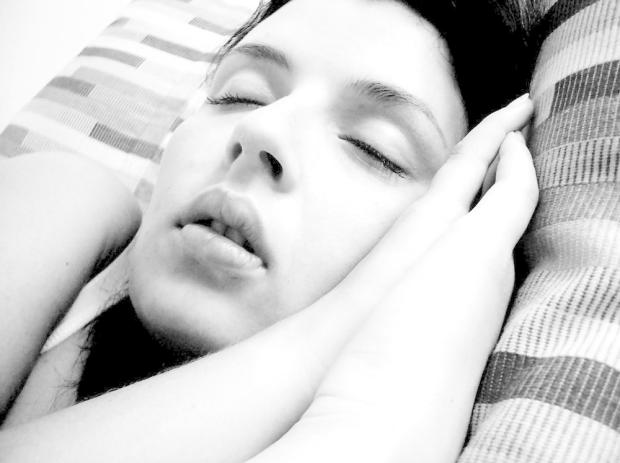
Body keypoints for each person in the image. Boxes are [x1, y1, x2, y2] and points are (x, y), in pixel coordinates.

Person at [0, 0, 538, 461]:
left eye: (373, 148)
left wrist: (361, 419)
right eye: (240, 94)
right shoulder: (63, 198)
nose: (259, 128)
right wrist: (330, 331)